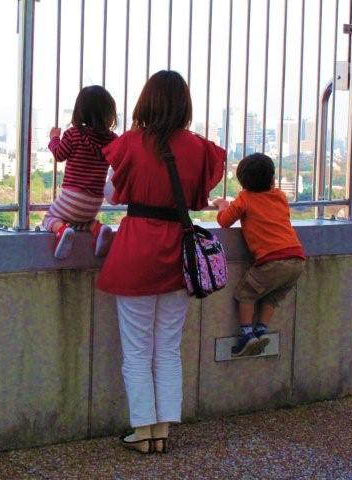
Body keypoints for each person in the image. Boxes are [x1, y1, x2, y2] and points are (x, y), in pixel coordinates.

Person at [98, 71, 224, 453]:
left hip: (137, 251)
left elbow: (110, 193)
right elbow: (202, 197)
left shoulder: (131, 143)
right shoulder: (201, 149)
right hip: (179, 256)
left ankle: (143, 430)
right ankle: (163, 429)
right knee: (167, 348)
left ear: (146, 100)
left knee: (137, 349)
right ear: (184, 103)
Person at [213, 153, 305, 357]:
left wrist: (222, 204)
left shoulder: (245, 199)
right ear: (272, 179)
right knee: (272, 297)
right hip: (297, 259)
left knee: (246, 293)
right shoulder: (280, 196)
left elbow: (224, 221)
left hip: (271, 261)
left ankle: (247, 334)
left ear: (242, 182)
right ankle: (261, 330)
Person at [44, 85, 118, 259]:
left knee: (50, 218)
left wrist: (54, 138)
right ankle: (99, 229)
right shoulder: (112, 140)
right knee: (81, 221)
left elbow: (59, 154)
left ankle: (62, 232)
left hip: (71, 197)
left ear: (80, 111)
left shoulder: (73, 134)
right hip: (93, 203)